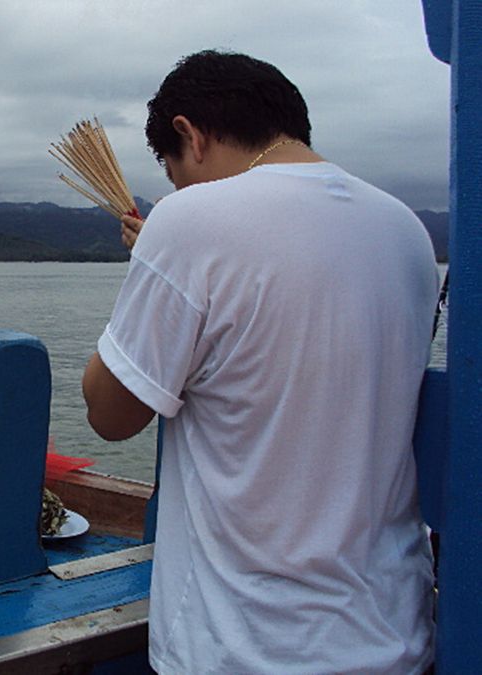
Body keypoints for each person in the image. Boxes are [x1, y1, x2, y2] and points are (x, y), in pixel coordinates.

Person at [83, 50, 438, 674]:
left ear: (189, 135)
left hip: (245, 647)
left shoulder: (188, 221)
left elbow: (111, 414)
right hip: (394, 637)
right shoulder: (405, 230)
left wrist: (153, 263)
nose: (179, 192)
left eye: (173, 173)